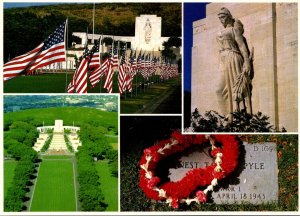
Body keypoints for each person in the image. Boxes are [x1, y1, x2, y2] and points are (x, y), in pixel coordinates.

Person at [216, 7, 253, 121]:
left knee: (235, 88)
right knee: (219, 90)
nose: (221, 20)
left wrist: (247, 62)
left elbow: (242, 46)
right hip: (223, 61)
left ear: (228, 17)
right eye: (219, 18)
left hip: (234, 58)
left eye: (223, 17)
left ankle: (238, 115)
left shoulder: (234, 30)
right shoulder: (219, 32)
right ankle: (227, 116)